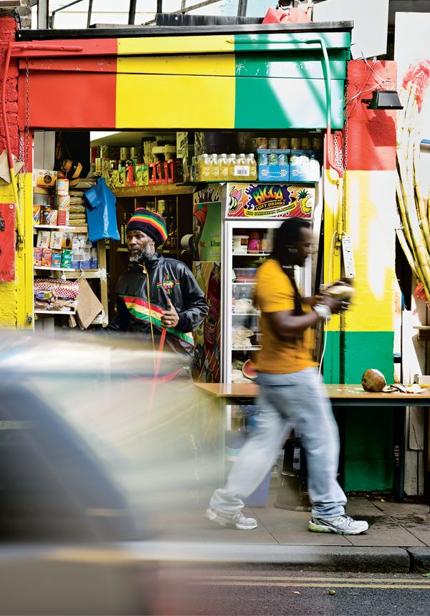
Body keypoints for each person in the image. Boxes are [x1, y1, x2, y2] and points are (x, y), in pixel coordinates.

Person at [207, 218, 369, 535]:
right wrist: (323, 310)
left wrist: (323, 299)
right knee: (323, 438)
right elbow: (283, 324)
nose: (310, 251)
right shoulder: (271, 275)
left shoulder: (280, 273)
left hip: (276, 374)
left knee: (263, 446)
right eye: (307, 245)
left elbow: (291, 311)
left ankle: (225, 506)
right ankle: (327, 512)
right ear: (292, 245)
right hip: (292, 373)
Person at [109, 208, 208, 356]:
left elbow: (201, 306)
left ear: (152, 240)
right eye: (129, 237)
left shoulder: (177, 269)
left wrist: (180, 320)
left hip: (175, 361)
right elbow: (120, 323)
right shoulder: (125, 280)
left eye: (138, 236)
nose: (132, 242)